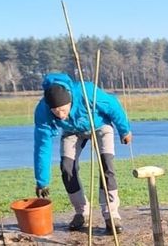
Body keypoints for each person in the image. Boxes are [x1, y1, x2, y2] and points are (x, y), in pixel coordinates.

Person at [33, 72, 132, 234]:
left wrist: (124, 130)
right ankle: (82, 212)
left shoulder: (88, 93)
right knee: (67, 168)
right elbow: (42, 145)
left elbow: (113, 106)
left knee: (106, 164)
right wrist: (42, 180)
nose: (60, 115)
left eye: (63, 110)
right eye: (56, 112)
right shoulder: (43, 110)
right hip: (71, 131)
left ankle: (111, 214)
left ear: (70, 101)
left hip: (100, 125)